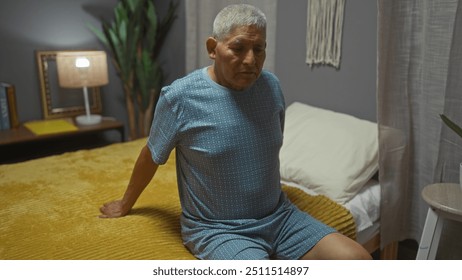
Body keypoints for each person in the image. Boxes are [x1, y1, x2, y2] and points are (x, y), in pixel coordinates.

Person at [99, 4, 372, 260]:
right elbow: (152, 154)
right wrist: (126, 203)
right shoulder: (180, 97)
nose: (250, 60)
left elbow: (268, 150)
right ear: (212, 48)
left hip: (281, 217)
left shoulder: (271, 86)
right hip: (218, 229)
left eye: (259, 49)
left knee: (358, 259)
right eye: (238, 48)